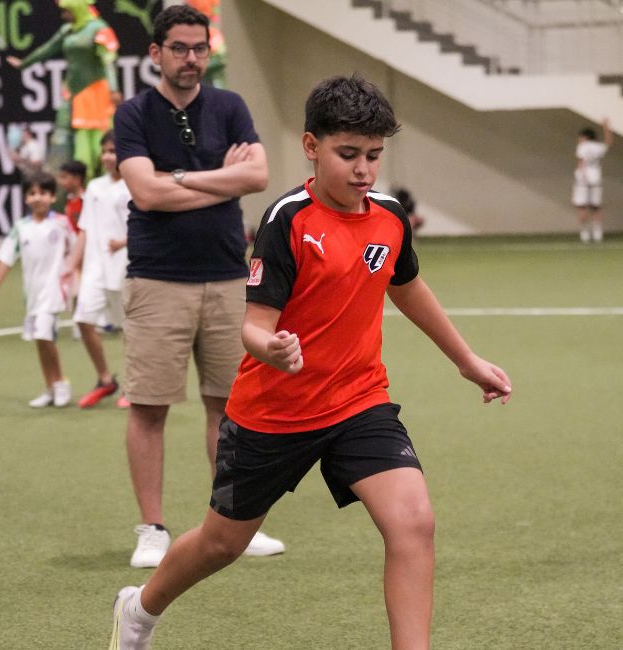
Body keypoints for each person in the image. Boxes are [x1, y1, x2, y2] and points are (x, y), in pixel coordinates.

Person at [108, 74, 513, 650]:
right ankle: (140, 610)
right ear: (310, 147)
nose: (363, 170)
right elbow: (254, 324)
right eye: (348, 154)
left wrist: (466, 359)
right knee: (223, 544)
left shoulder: (390, 217)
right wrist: (269, 347)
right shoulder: (287, 221)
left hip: (358, 401)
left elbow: (407, 285)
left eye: (374, 156)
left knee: (414, 522)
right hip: (275, 414)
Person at [113, 4, 284, 567]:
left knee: (230, 406)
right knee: (149, 406)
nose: (192, 59)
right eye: (180, 49)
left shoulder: (230, 105)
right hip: (157, 279)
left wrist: (177, 178)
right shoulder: (134, 113)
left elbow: (257, 176)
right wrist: (219, 182)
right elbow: (145, 195)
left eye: (200, 48)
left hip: (229, 276)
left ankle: (232, 523)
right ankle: (152, 529)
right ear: (156, 53)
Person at [0, 171, 75, 409]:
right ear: (25, 198)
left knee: (46, 336)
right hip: (32, 295)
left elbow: (76, 250)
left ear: (53, 196)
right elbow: (6, 257)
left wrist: (74, 276)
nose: (38, 198)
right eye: (32, 193)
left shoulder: (61, 223)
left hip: (54, 292)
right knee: (40, 340)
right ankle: (49, 387)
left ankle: (61, 383)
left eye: (43, 193)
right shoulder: (21, 227)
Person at [6, 0, 121, 180]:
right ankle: (72, 181)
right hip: (74, 93)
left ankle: (102, 177)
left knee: (98, 141)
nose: (63, 15)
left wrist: (114, 89)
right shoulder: (67, 30)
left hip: (96, 93)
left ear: (77, 8)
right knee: (67, 139)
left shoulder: (98, 29)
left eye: (66, 11)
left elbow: (108, 61)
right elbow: (48, 49)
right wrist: (24, 63)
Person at [64, 130, 130, 409]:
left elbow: (147, 226)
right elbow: (85, 229)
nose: (107, 156)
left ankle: (133, 386)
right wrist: (70, 264)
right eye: (104, 151)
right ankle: (105, 379)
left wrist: (123, 242)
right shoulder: (94, 187)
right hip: (94, 267)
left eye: (113, 151)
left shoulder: (134, 185)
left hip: (126, 266)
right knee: (83, 318)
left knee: (131, 329)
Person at [572, 118, 612, 243]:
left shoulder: (582, 146)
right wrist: (606, 127)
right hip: (596, 178)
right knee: (596, 207)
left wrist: (581, 175)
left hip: (583, 180)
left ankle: (584, 233)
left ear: (585, 137)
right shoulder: (598, 147)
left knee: (582, 207)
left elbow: (581, 161)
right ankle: (597, 233)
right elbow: (609, 142)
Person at [58, 160, 87, 234]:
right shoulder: (69, 199)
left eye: (64, 177)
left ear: (77, 179)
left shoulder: (86, 201)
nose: (60, 181)